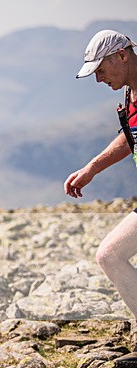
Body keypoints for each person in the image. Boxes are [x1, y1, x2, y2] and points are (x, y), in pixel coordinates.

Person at [65, 30, 137, 323]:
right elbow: (129, 137)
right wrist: (91, 169)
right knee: (109, 255)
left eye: (101, 70)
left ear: (122, 55)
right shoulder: (130, 93)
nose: (98, 79)